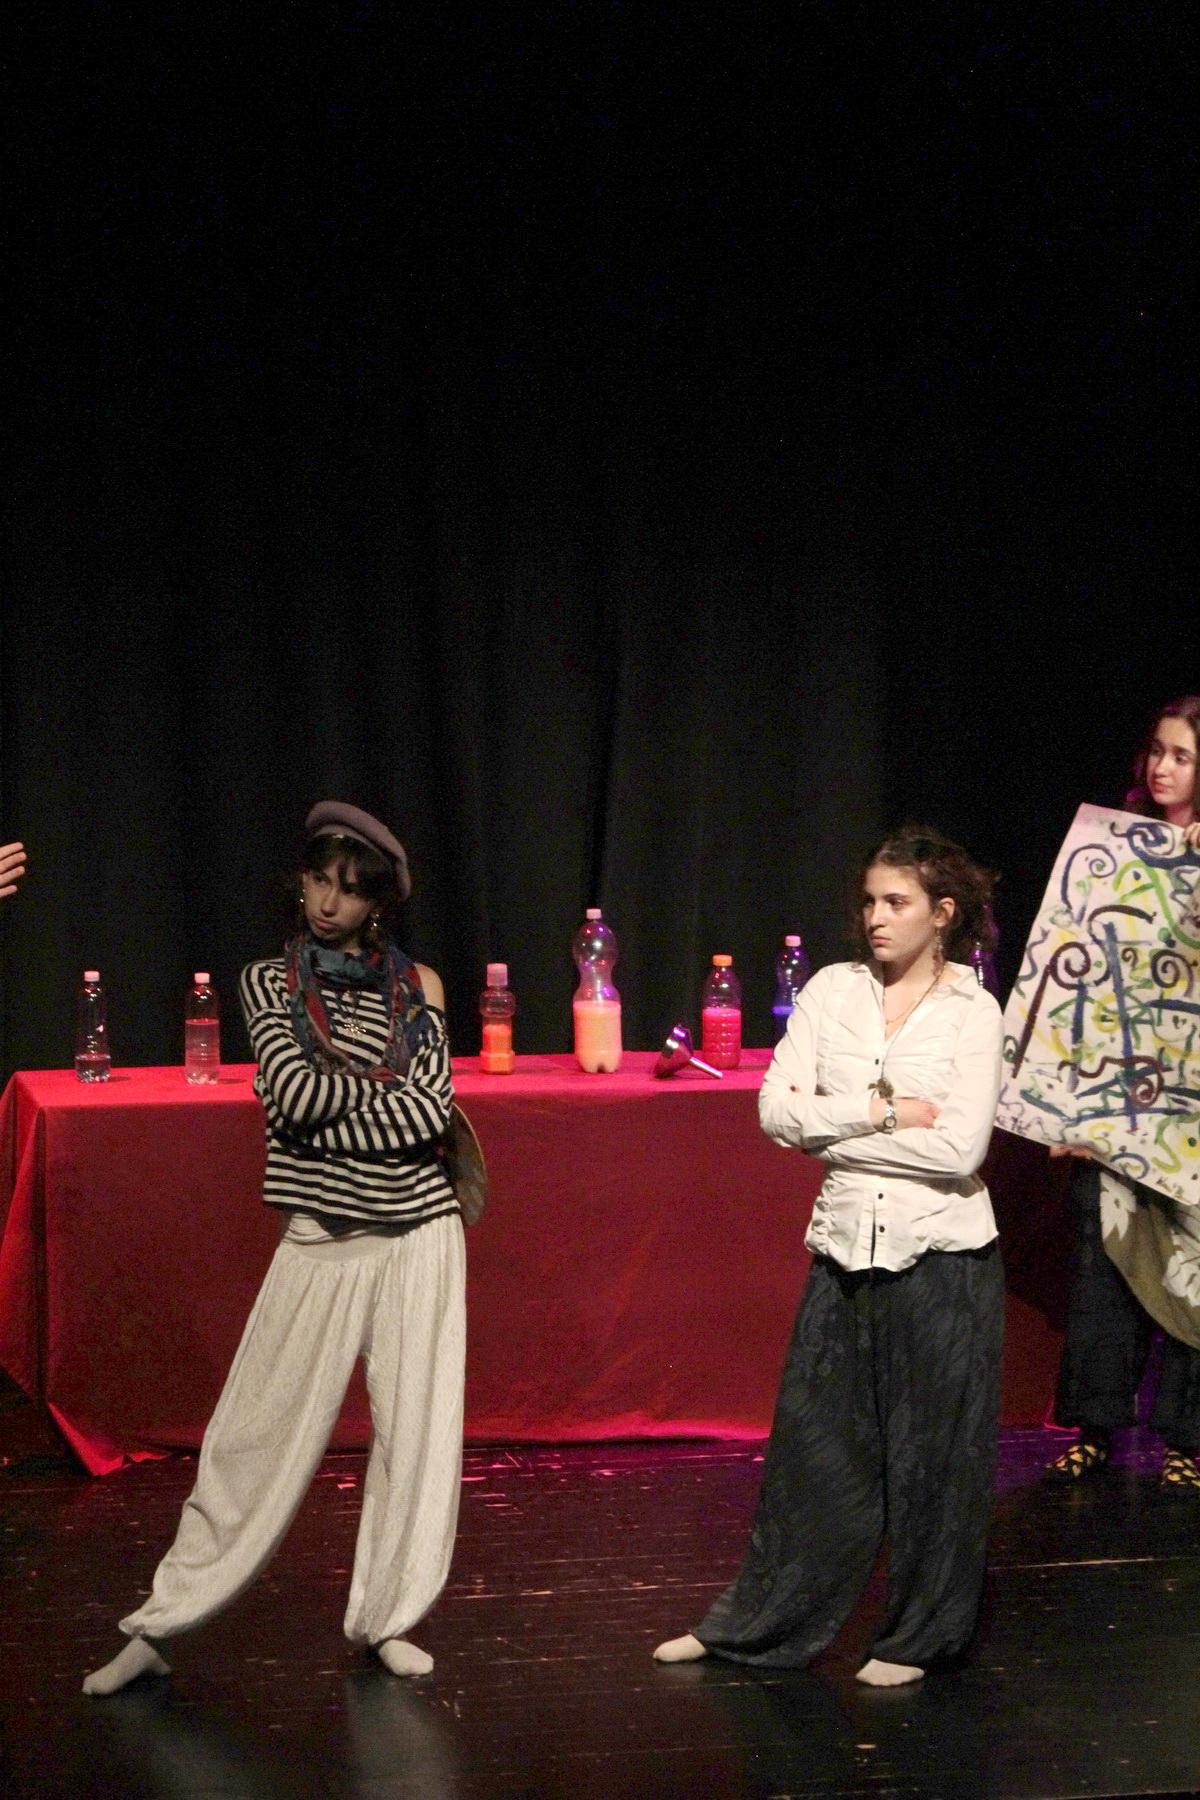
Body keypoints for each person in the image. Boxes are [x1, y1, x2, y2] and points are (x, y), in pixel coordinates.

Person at [84, 802, 465, 1694]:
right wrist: (375, 1101)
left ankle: (388, 1618)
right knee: (251, 1435)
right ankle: (161, 1622)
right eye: (319, 881)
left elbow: (432, 1110)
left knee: (416, 1434)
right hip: (324, 1231)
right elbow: (292, 1094)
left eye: (350, 891)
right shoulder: (268, 982)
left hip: (422, 1228)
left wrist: (346, 1109)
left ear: (377, 904)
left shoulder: (422, 987)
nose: (328, 903)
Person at [654, 827, 1005, 1686]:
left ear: (942, 913)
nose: (876, 917)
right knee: (814, 1454)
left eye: (897, 902)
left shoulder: (973, 1010)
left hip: (943, 1257)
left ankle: (917, 1638)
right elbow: (776, 1113)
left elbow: (959, 1149)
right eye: (870, 901)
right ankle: (756, 1624)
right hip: (845, 1248)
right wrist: (883, 1115)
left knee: (934, 1461)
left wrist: (832, 1129)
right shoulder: (830, 992)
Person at [1048, 696, 1200, 1490]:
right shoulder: (1115, 849)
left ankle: (1187, 1440)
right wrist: (1064, 1100)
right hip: (1120, 1092)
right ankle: (1096, 1428)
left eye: (1182, 756)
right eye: (1157, 751)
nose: (1162, 768)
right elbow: (1077, 974)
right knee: (1103, 1261)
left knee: (1191, 1265)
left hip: (1192, 1106)